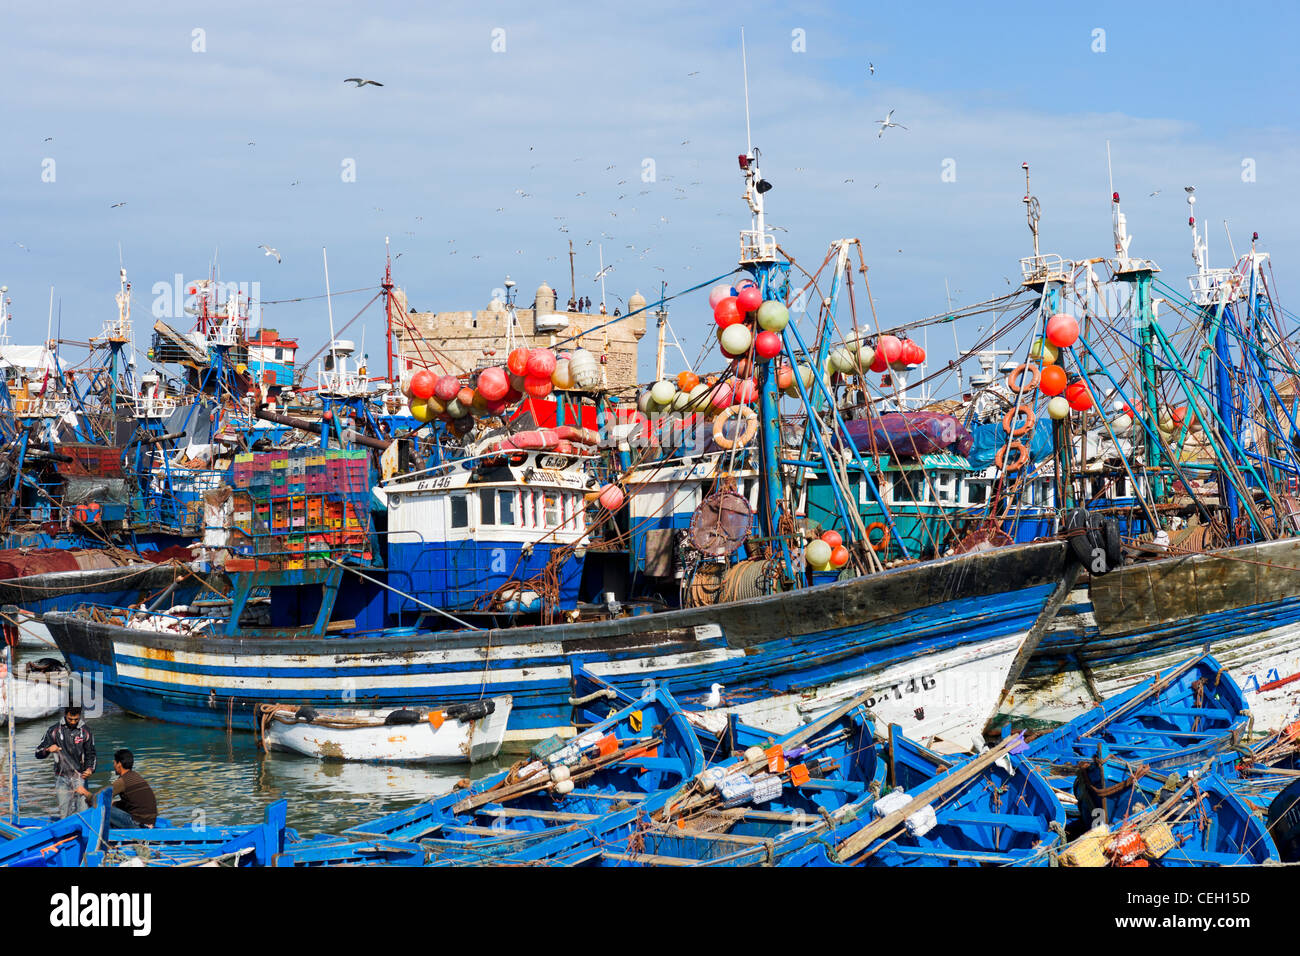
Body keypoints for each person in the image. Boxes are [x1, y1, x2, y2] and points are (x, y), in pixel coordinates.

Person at [34, 706, 96, 818]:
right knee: (64, 813)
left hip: (80, 778)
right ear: (65, 715)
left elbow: (91, 754)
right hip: (61, 778)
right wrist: (48, 749)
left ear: (80, 716)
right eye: (70, 719)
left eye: (76, 720)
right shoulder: (53, 730)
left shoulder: (86, 731)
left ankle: (83, 832)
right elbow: (38, 752)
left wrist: (90, 769)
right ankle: (67, 832)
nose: (73, 722)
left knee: (83, 811)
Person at [91, 749, 158, 829]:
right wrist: (115, 804)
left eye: (114, 763)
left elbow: (99, 798)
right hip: (149, 823)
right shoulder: (135, 776)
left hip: (139, 825)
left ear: (119, 764)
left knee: (102, 807)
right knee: (110, 806)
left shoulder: (123, 781)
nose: (114, 766)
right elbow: (132, 803)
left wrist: (85, 793)